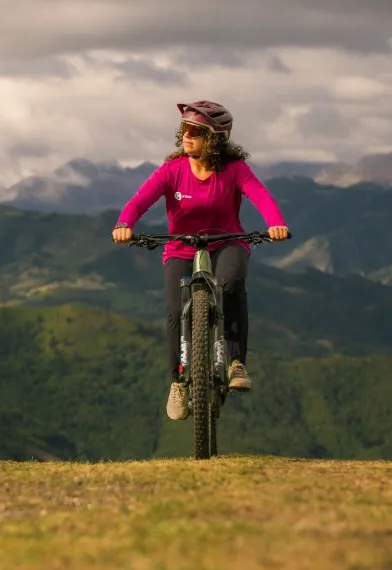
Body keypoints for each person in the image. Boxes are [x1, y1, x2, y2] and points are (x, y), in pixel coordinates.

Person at [111, 100, 290, 421]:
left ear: (215, 139)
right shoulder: (172, 171)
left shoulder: (234, 170)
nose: (186, 137)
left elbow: (262, 196)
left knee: (231, 284)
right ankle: (179, 381)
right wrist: (125, 225)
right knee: (175, 309)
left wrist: (276, 223)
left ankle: (235, 362)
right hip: (180, 247)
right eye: (184, 130)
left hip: (227, 242)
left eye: (195, 131)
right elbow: (138, 202)